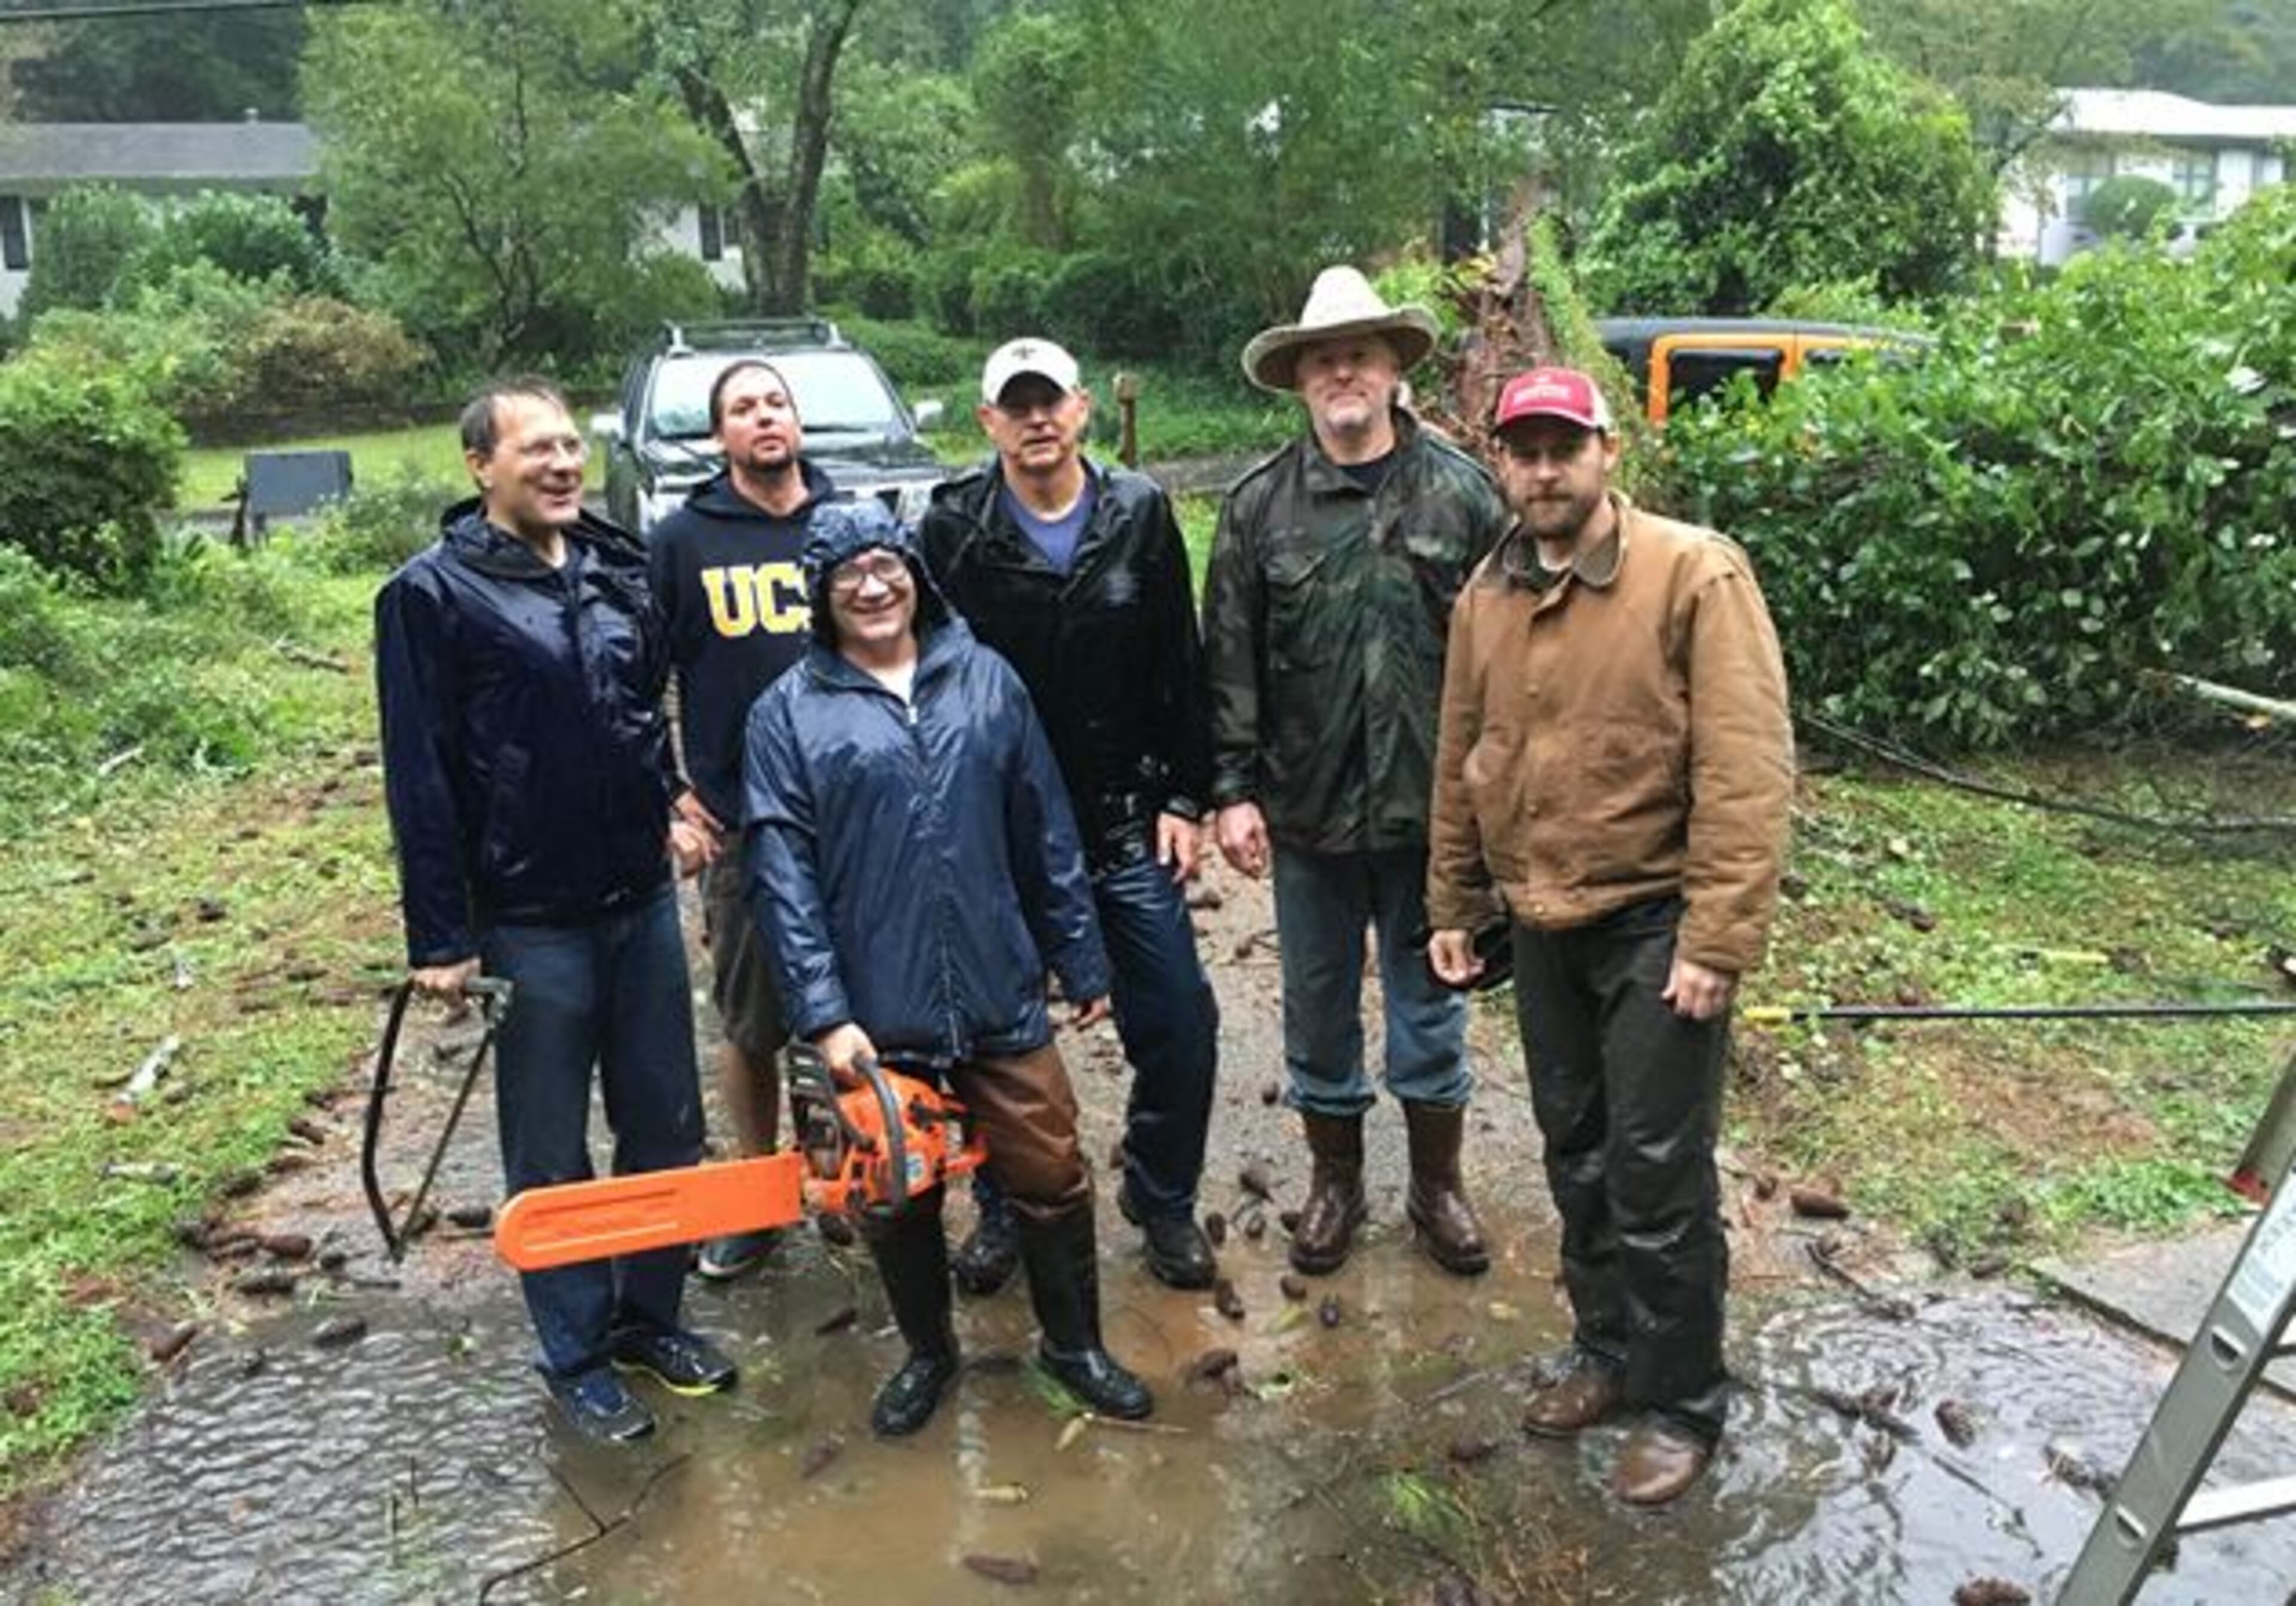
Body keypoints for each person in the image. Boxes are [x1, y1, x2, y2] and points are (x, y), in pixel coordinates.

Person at [1425, 365, 1794, 1505]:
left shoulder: (1693, 572)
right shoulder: (1487, 594)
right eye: (1525, 451)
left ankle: (1683, 1399)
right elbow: (1464, 753)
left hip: (1656, 921)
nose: (1545, 471)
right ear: (1501, 461)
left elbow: (1746, 767)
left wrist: (1716, 937)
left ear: (1606, 450)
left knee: (1655, 1168)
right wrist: (1455, 903)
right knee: (1575, 1147)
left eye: (1564, 448)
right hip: (1544, 920)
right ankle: (1606, 1347)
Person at [742, 500, 1156, 1437]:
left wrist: (1079, 955)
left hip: (999, 982)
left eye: (886, 565)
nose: (873, 587)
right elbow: (782, 875)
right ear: (820, 594)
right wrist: (824, 1012)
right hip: (875, 1006)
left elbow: (1044, 827)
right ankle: (929, 1353)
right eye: (849, 575)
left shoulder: (986, 679)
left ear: (916, 575)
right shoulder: (786, 714)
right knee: (897, 1189)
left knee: (1050, 1168)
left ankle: (1075, 1345)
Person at [375, 378, 735, 1444]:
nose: (563, 463)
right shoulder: (430, 595)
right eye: (536, 448)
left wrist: (671, 802)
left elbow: (638, 715)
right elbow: (420, 775)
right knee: (549, 1144)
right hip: (528, 916)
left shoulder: (615, 569)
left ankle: (648, 1317)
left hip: (638, 900)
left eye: (572, 444)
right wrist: (441, 936)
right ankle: (575, 1352)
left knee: (665, 1120)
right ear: (480, 466)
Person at [1201, 265, 1509, 1279]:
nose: (1343, 372)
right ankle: (1336, 1182)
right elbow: (1230, 655)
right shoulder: (1258, 507)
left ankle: (1437, 1185)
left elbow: (1513, 654)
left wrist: (1501, 791)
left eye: (1360, 355)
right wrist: (1232, 791)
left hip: (1436, 812)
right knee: (1318, 1004)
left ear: (1391, 370)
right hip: (1308, 809)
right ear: (1300, 379)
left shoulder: (1465, 493)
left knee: (1433, 1003)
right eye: (1324, 359)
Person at [920, 337, 1221, 1294]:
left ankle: (1161, 1196)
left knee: (1178, 1017)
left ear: (1082, 408)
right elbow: (923, 672)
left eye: (1050, 401)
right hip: (996, 824)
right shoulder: (952, 526)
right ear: (989, 422)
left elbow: (1180, 659)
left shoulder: (1139, 511)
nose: (1037, 420)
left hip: (1120, 814)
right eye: (1017, 406)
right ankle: (1007, 1201)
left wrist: (1186, 797)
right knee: (993, 1032)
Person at [648, 358, 841, 1281]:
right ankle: (758, 1197)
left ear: (797, 421)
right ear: (719, 435)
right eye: (742, 408)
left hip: (851, 815)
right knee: (752, 1020)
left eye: (776, 403)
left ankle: (839, 1177)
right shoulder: (682, 539)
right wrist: (668, 786)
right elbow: (633, 674)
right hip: (743, 822)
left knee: (847, 1011)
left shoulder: (844, 523)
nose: (764, 417)